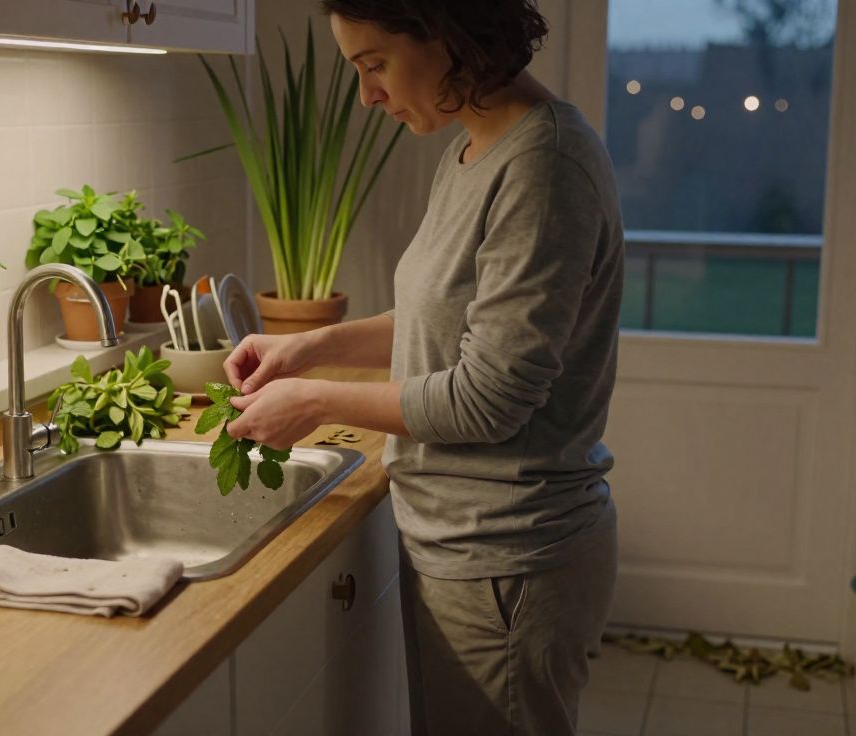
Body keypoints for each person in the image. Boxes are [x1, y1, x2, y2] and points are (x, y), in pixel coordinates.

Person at [221, 1, 623, 733]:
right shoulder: (473, 150)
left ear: (447, 30)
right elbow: (459, 327)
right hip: (467, 546)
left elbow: (488, 397)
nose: (368, 95)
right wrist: (309, 348)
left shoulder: (544, 164)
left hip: (508, 558)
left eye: (374, 64)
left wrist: (314, 402)